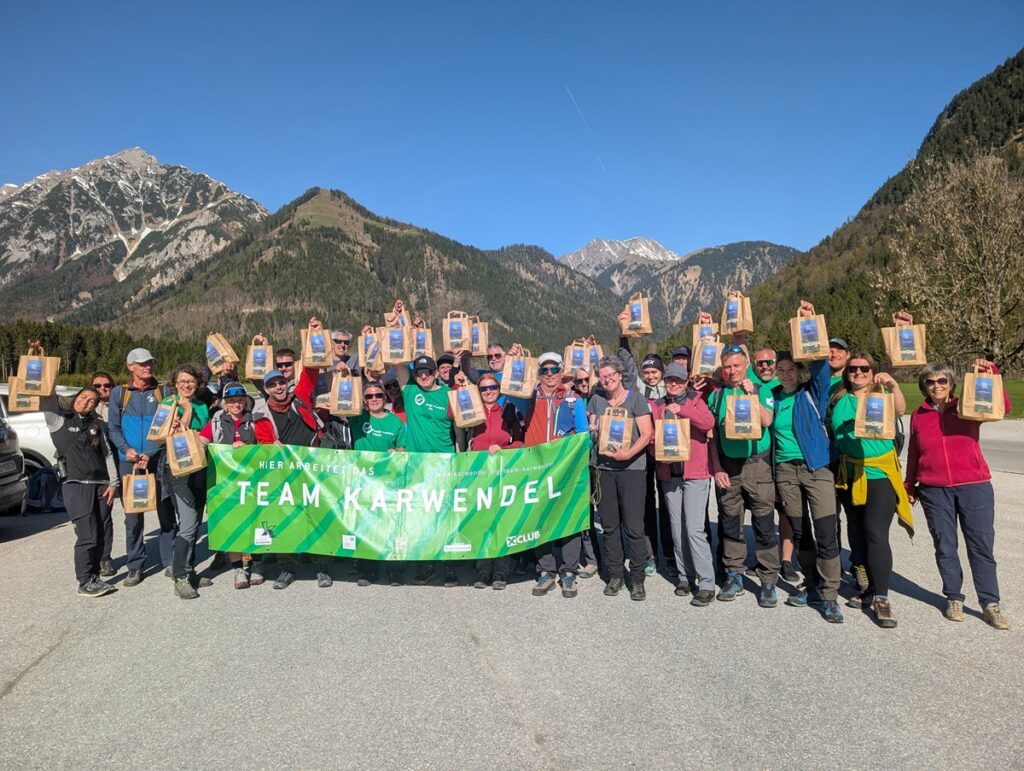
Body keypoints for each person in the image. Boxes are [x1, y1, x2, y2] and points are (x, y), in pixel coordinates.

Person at [905, 359, 1011, 630]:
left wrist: (992, 373)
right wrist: (909, 484)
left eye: (942, 380)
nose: (937, 386)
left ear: (951, 383)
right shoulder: (918, 414)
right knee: (945, 545)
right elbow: (915, 450)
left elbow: (1003, 406)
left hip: (974, 486)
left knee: (981, 546)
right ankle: (953, 597)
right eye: (930, 382)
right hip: (934, 489)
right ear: (924, 386)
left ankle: (990, 603)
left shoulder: (967, 406)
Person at [829, 351, 912, 628]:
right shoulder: (839, 397)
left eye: (864, 368)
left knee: (876, 532)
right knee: (857, 531)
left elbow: (900, 410)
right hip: (850, 472)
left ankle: (881, 597)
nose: (858, 373)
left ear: (872, 371)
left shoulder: (880, 395)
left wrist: (893, 385)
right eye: (853, 368)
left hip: (878, 473)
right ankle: (868, 588)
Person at [770, 320, 844, 623]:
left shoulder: (811, 392)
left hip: (816, 469)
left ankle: (830, 595)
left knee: (826, 532)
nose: (786, 374)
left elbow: (821, 368)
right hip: (785, 471)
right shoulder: (773, 397)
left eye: (791, 369)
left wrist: (808, 325)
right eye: (781, 370)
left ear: (799, 370)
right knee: (801, 532)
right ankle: (812, 586)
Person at [253, 318, 336, 589]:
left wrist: (314, 334)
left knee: (317, 515)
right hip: (285, 473)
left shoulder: (299, 396)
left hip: (312, 467)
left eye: (281, 382)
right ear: (266, 389)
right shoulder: (262, 415)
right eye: (272, 385)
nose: (279, 387)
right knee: (284, 516)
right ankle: (286, 568)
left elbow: (311, 371)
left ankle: (322, 566)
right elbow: (264, 443)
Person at [707, 344, 779, 607]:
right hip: (729, 466)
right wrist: (717, 467)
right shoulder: (717, 397)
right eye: (727, 366)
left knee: (764, 524)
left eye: (737, 365)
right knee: (730, 524)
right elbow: (712, 437)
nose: (732, 370)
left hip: (757, 465)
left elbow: (767, 421)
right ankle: (734, 574)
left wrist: (751, 396)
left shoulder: (761, 390)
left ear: (746, 365)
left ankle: (768, 579)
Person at [515, 348, 589, 597]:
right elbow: (507, 391)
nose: (549, 374)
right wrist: (516, 361)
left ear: (561, 372)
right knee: (540, 517)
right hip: (537, 468)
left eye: (554, 369)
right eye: (544, 370)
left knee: (569, 518)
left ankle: (569, 572)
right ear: (538, 373)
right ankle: (546, 570)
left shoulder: (573, 400)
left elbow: (582, 434)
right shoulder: (528, 398)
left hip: (565, 468)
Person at [38, 375, 118, 597]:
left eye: (92, 401)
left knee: (100, 534)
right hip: (76, 485)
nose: (86, 402)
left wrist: (113, 483)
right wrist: (45, 369)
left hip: (101, 485)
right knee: (87, 535)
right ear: (75, 398)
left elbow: (108, 455)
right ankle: (84, 582)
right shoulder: (59, 421)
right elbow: (47, 396)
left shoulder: (96, 425)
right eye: (83, 398)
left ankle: (95, 577)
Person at [392, 338, 460, 587]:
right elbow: (398, 363)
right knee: (422, 516)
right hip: (417, 465)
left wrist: (459, 456)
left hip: (443, 463)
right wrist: (399, 326)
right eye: (419, 372)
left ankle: (450, 567)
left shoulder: (448, 395)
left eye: (428, 372)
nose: (423, 376)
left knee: (445, 516)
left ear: (436, 373)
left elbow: (459, 428)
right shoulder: (410, 391)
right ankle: (427, 565)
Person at [587, 355, 654, 600]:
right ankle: (615, 574)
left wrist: (628, 454)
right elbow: (594, 436)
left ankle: (637, 578)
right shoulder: (596, 401)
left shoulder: (636, 399)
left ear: (620, 374)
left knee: (634, 527)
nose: (607, 380)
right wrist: (594, 430)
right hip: (604, 469)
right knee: (609, 526)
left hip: (632, 470)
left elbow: (647, 434)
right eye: (602, 376)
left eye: (611, 375)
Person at [108, 347, 176, 587]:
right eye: (142, 363)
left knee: (166, 511)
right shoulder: (119, 393)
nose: (148, 367)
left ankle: (170, 560)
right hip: (129, 462)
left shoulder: (164, 391)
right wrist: (127, 450)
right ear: (130, 367)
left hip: (158, 460)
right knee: (133, 517)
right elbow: (113, 428)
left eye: (150, 363)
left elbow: (167, 427)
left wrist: (150, 453)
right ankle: (135, 566)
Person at [651, 362, 717, 607]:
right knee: (677, 528)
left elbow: (708, 423)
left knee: (694, 529)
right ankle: (684, 576)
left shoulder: (696, 400)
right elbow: (652, 437)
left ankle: (706, 583)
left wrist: (684, 410)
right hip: (670, 474)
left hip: (695, 474)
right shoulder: (657, 405)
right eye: (670, 380)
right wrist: (654, 443)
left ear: (686, 381)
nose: (674, 384)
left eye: (678, 380)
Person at [198, 382, 276, 588]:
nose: (236, 404)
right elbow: (201, 441)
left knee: (256, 521)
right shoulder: (216, 421)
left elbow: (267, 447)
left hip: (253, 481)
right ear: (225, 403)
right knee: (231, 523)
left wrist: (247, 448)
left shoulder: (256, 419)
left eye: (240, 400)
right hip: (226, 483)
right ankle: (238, 568)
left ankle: (257, 563)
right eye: (231, 401)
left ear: (246, 402)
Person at [466, 372, 524, 590]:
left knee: (501, 521)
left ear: (499, 389)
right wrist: (461, 386)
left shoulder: (509, 410)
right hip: (478, 473)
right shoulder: (472, 410)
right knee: (482, 521)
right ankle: (483, 569)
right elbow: (452, 416)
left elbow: (521, 440)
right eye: (483, 388)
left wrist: (504, 449)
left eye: (492, 387)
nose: (488, 391)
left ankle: (501, 570)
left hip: (502, 472)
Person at [348, 380, 408, 587]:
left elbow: (403, 449)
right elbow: (340, 400)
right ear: (363, 400)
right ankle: (369, 569)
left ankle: (394, 571)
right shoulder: (357, 418)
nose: (374, 399)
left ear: (384, 397)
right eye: (369, 396)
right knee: (366, 526)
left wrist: (398, 452)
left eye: (378, 395)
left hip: (388, 481)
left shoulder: (395, 422)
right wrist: (341, 374)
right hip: (363, 480)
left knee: (391, 525)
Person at [162, 364, 212, 599]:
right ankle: (180, 577)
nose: (186, 385)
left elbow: (205, 435)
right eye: (182, 381)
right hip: (178, 471)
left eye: (191, 381)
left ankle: (189, 571)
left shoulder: (202, 405)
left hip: (199, 468)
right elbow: (168, 435)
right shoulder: (168, 403)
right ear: (174, 383)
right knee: (189, 524)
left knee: (195, 520)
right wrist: (186, 410)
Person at [88, 371, 117, 577]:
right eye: (97, 386)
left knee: (106, 516)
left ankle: (105, 558)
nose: (102, 389)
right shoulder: (86, 408)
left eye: (107, 385)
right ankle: (93, 556)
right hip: (93, 470)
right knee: (93, 517)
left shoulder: (118, 408)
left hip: (115, 467)